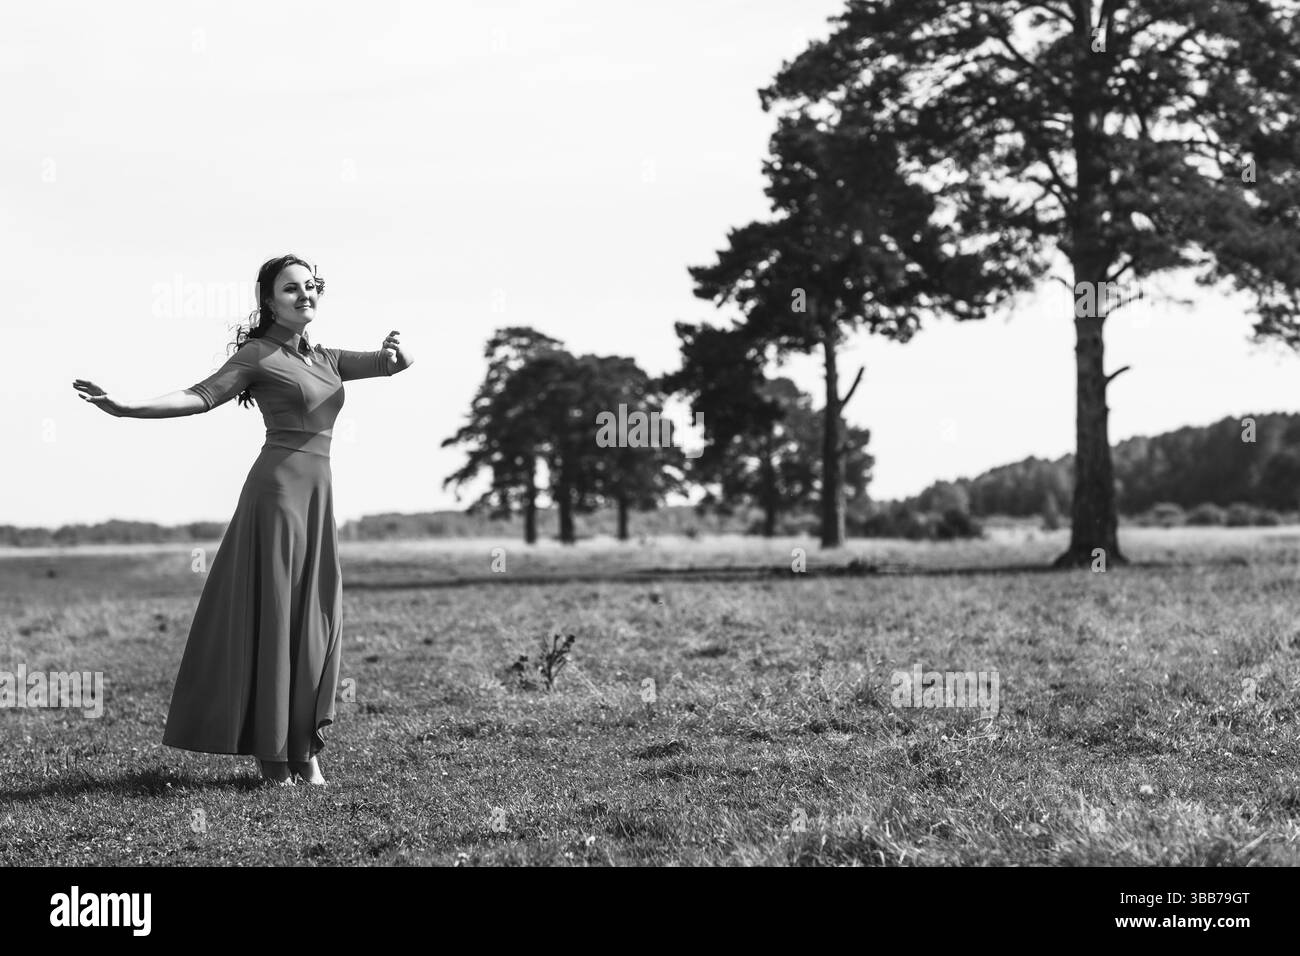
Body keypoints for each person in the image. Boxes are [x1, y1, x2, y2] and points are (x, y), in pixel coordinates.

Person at [72, 254, 413, 786]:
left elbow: (392, 364)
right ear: (268, 301)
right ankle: (276, 761)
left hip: (318, 500)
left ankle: (305, 752)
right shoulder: (259, 354)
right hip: (276, 495)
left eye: (311, 286)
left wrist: (397, 351)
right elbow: (199, 395)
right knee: (277, 618)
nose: (305, 295)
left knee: (314, 620)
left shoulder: (327, 358)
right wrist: (127, 407)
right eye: (291, 288)